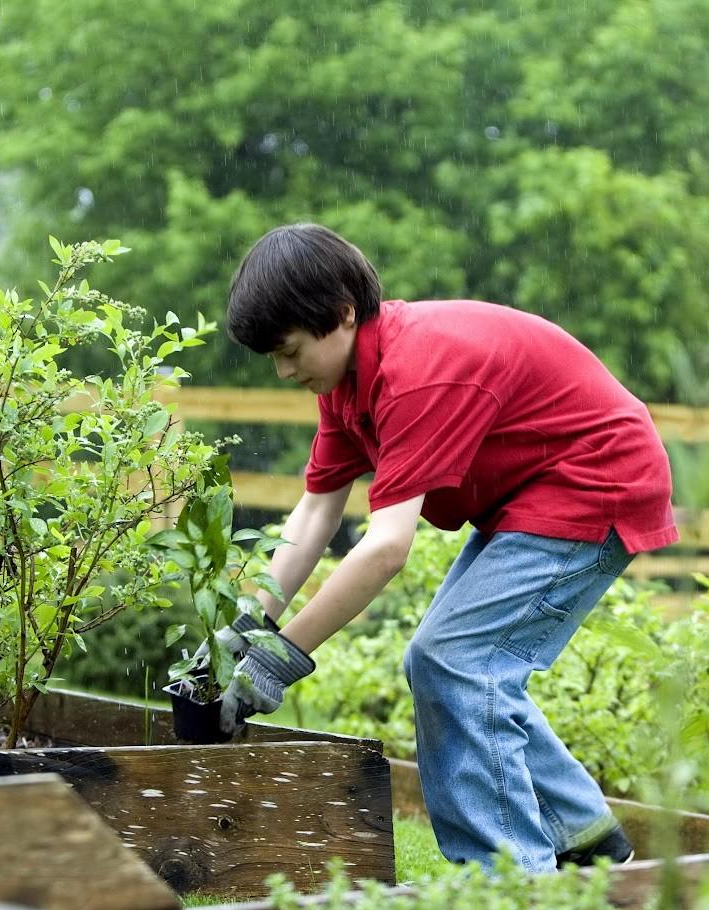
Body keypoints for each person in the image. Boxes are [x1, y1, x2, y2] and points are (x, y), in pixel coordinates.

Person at [210, 222, 677, 872]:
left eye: (289, 350)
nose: (284, 370)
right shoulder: (347, 382)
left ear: (342, 314)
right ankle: (587, 837)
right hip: (530, 494)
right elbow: (318, 508)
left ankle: (511, 890)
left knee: (455, 660)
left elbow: (385, 549)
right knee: (450, 662)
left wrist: (279, 658)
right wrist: (242, 623)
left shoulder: (417, 373)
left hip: (597, 478)